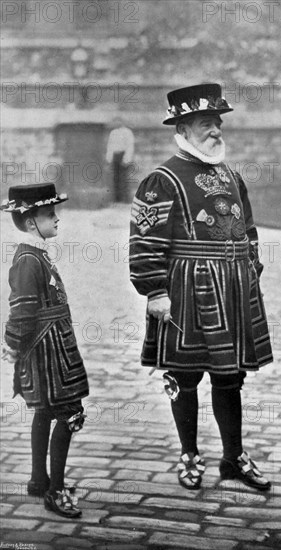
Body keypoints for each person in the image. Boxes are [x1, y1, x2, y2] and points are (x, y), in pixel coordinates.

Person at [129, 83, 273, 491]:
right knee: (185, 375)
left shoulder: (231, 176)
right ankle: (190, 453)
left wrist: (250, 270)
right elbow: (144, 241)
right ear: (185, 128)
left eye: (219, 124)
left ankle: (234, 457)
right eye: (208, 124)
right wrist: (155, 290)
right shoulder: (161, 180)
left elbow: (248, 228)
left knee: (230, 377)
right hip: (186, 290)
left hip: (232, 290)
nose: (217, 132)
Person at [1, 183, 89, 518]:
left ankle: (40, 479)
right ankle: (56, 490)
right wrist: (12, 346)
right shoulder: (27, 260)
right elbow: (21, 310)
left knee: (44, 412)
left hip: (54, 350)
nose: (57, 219)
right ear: (29, 223)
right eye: (49, 214)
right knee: (69, 414)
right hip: (46, 354)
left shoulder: (37, 254)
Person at [106, 117, 135, 202]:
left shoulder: (127, 132)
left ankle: (125, 199)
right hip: (115, 156)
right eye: (116, 122)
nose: (117, 123)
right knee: (116, 178)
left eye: (119, 122)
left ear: (122, 122)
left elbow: (130, 146)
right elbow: (110, 146)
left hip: (123, 155)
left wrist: (126, 158)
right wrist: (109, 158)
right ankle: (117, 199)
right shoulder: (113, 133)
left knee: (124, 178)